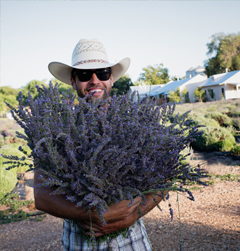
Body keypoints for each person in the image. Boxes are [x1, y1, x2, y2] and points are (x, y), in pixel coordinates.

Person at [35, 38, 162, 251]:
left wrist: (130, 217)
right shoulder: (54, 130)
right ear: (73, 81)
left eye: (102, 73)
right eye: (85, 75)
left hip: (132, 242)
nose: (94, 80)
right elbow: (41, 197)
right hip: (80, 243)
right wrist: (95, 214)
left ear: (111, 78)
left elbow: (163, 182)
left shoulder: (138, 124)